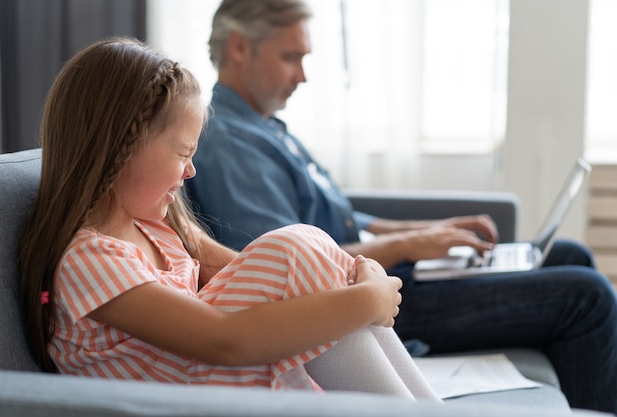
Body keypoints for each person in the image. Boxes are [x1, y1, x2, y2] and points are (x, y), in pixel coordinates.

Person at [184, 0, 617, 413]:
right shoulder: (227, 144)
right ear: (240, 47)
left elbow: (344, 218)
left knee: (569, 255)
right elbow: (286, 268)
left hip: (377, 275)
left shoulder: (266, 128)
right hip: (359, 299)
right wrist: (411, 243)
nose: (302, 76)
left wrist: (429, 229)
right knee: (588, 298)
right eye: (290, 57)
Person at [17, 36, 443, 400]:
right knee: (296, 249)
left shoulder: (153, 228)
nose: (190, 171)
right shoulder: (88, 260)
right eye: (184, 153)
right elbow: (225, 340)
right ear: (121, 148)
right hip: (186, 398)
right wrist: (370, 299)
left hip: (210, 387)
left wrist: (352, 277)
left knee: (303, 251)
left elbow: (270, 278)